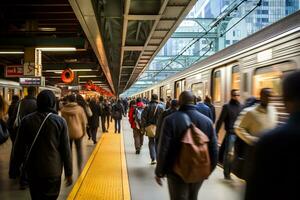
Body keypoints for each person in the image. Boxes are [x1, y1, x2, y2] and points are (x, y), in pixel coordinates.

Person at [244, 71, 300, 200]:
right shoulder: (251, 113)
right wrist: (251, 139)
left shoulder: (271, 141)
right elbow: (239, 128)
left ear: (285, 99)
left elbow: (256, 191)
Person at [155, 91, 218, 200]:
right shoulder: (207, 121)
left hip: (175, 171)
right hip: (198, 168)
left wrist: (159, 171)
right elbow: (214, 149)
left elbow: (163, 148)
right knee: (193, 196)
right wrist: (208, 170)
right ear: (194, 102)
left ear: (179, 102)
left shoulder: (170, 120)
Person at [11, 90, 72, 200]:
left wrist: (14, 168)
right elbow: (65, 150)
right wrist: (69, 172)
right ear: (53, 103)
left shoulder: (26, 120)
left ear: (38, 102)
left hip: (33, 171)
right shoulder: (60, 122)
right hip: (53, 171)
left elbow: (18, 147)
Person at [9, 86, 38, 187]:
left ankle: (14, 172)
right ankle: (25, 179)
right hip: (32, 132)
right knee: (29, 154)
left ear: (27, 92)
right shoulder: (37, 103)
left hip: (19, 131)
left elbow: (13, 118)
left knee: (17, 151)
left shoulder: (19, 103)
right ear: (35, 92)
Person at [216, 89, 242, 180]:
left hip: (239, 134)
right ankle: (227, 173)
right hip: (230, 133)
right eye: (235, 95)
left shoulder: (241, 107)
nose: (237, 97)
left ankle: (232, 170)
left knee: (235, 154)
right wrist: (216, 132)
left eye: (238, 95)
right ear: (231, 96)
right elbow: (220, 120)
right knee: (229, 154)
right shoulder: (227, 106)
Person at [61, 94, 87, 170]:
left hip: (67, 134)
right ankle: (79, 167)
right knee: (79, 150)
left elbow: (62, 123)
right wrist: (84, 132)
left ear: (68, 100)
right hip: (78, 133)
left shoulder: (63, 110)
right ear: (75, 100)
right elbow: (83, 122)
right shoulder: (80, 109)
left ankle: (69, 172)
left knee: (68, 153)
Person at [142, 94, 164, 164]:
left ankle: (153, 158)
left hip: (150, 127)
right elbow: (164, 118)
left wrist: (144, 127)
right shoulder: (161, 107)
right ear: (157, 99)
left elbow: (143, 118)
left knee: (151, 142)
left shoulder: (147, 107)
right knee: (157, 142)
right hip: (159, 127)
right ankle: (158, 158)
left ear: (151, 98)